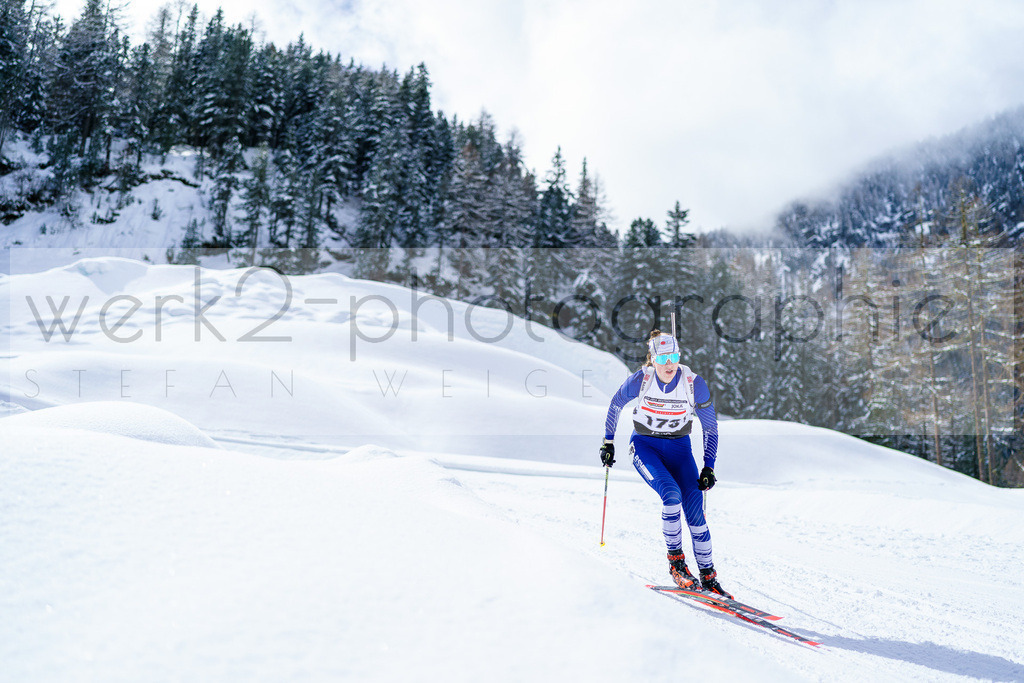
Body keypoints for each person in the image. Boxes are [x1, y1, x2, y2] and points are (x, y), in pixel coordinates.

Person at [600, 330, 730, 597]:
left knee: (695, 511)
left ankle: (708, 576)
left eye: (674, 357)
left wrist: (709, 466)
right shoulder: (642, 380)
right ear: (653, 359)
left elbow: (710, 427)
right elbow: (615, 404)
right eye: (663, 358)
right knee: (671, 496)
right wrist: (608, 442)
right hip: (645, 447)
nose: (669, 364)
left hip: (680, 451)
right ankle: (677, 566)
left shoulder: (694, 383)